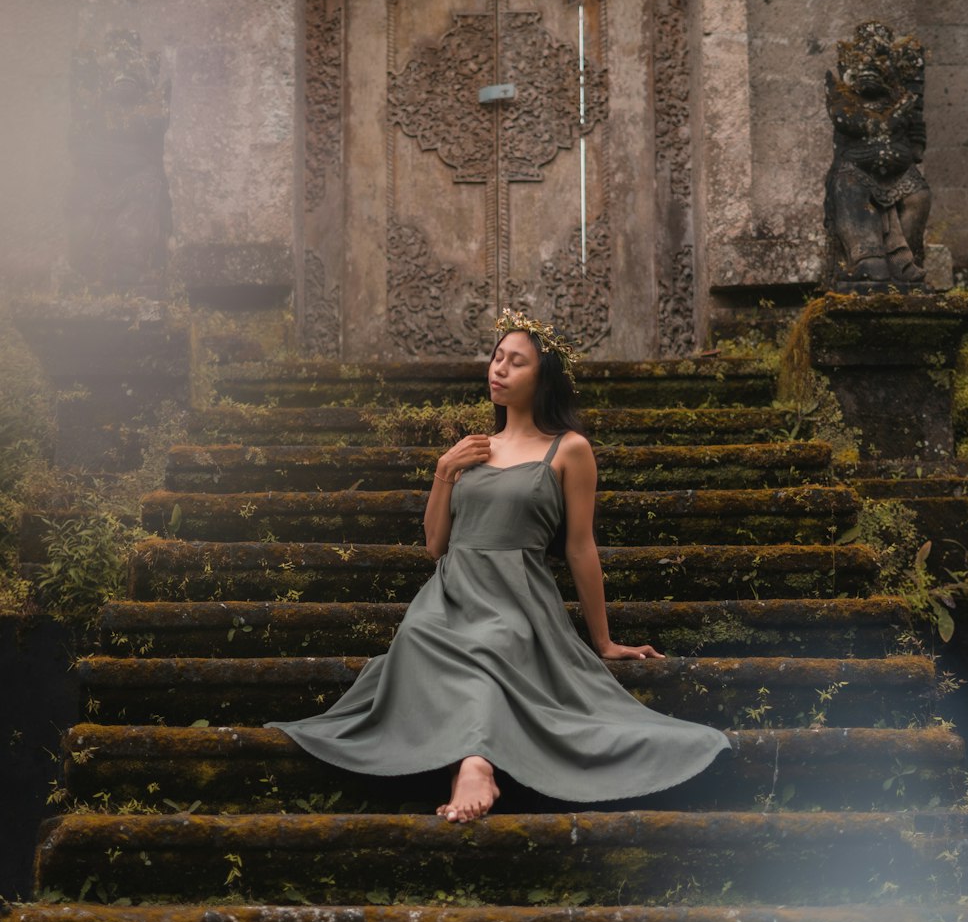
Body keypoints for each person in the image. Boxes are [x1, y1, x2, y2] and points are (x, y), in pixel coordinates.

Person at [266, 311, 731, 822]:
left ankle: (474, 765)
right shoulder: (472, 450)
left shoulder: (569, 449)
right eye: (497, 357)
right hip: (452, 590)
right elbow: (435, 545)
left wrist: (603, 642)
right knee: (419, 635)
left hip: (517, 595)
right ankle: (470, 761)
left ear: (543, 377)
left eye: (517, 362)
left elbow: (580, 547)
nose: (500, 369)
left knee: (494, 643)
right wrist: (444, 472)